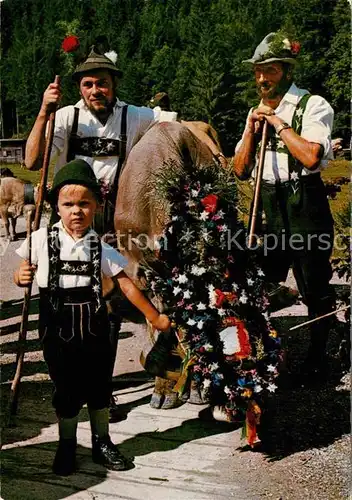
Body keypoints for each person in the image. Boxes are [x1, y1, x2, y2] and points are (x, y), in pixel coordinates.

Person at [14, 159, 171, 475]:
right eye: (68, 204)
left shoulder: (101, 246)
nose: (76, 211)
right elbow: (21, 276)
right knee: (67, 388)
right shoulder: (40, 240)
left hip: (95, 324)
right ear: (56, 206)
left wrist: (154, 316)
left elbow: (125, 285)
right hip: (56, 326)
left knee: (99, 386)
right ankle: (67, 444)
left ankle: (102, 441)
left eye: (84, 204)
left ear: (97, 206)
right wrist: (22, 275)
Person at [24, 47, 156, 418]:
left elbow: (172, 128)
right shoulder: (65, 117)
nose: (95, 90)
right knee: (59, 296)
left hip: (112, 218)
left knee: (107, 303)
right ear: (79, 88)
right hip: (69, 215)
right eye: (87, 84)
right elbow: (33, 160)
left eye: (102, 83)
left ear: (114, 85)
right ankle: (66, 380)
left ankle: (102, 386)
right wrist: (44, 111)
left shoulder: (136, 115)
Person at [233, 31, 336, 383]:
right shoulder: (255, 111)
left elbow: (310, 156)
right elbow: (240, 170)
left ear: (288, 72)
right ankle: (262, 354)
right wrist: (250, 129)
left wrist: (278, 124)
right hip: (270, 204)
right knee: (261, 283)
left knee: (314, 285)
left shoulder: (313, 105)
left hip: (304, 202)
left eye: (271, 71)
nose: (262, 78)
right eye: (258, 71)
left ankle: (320, 357)